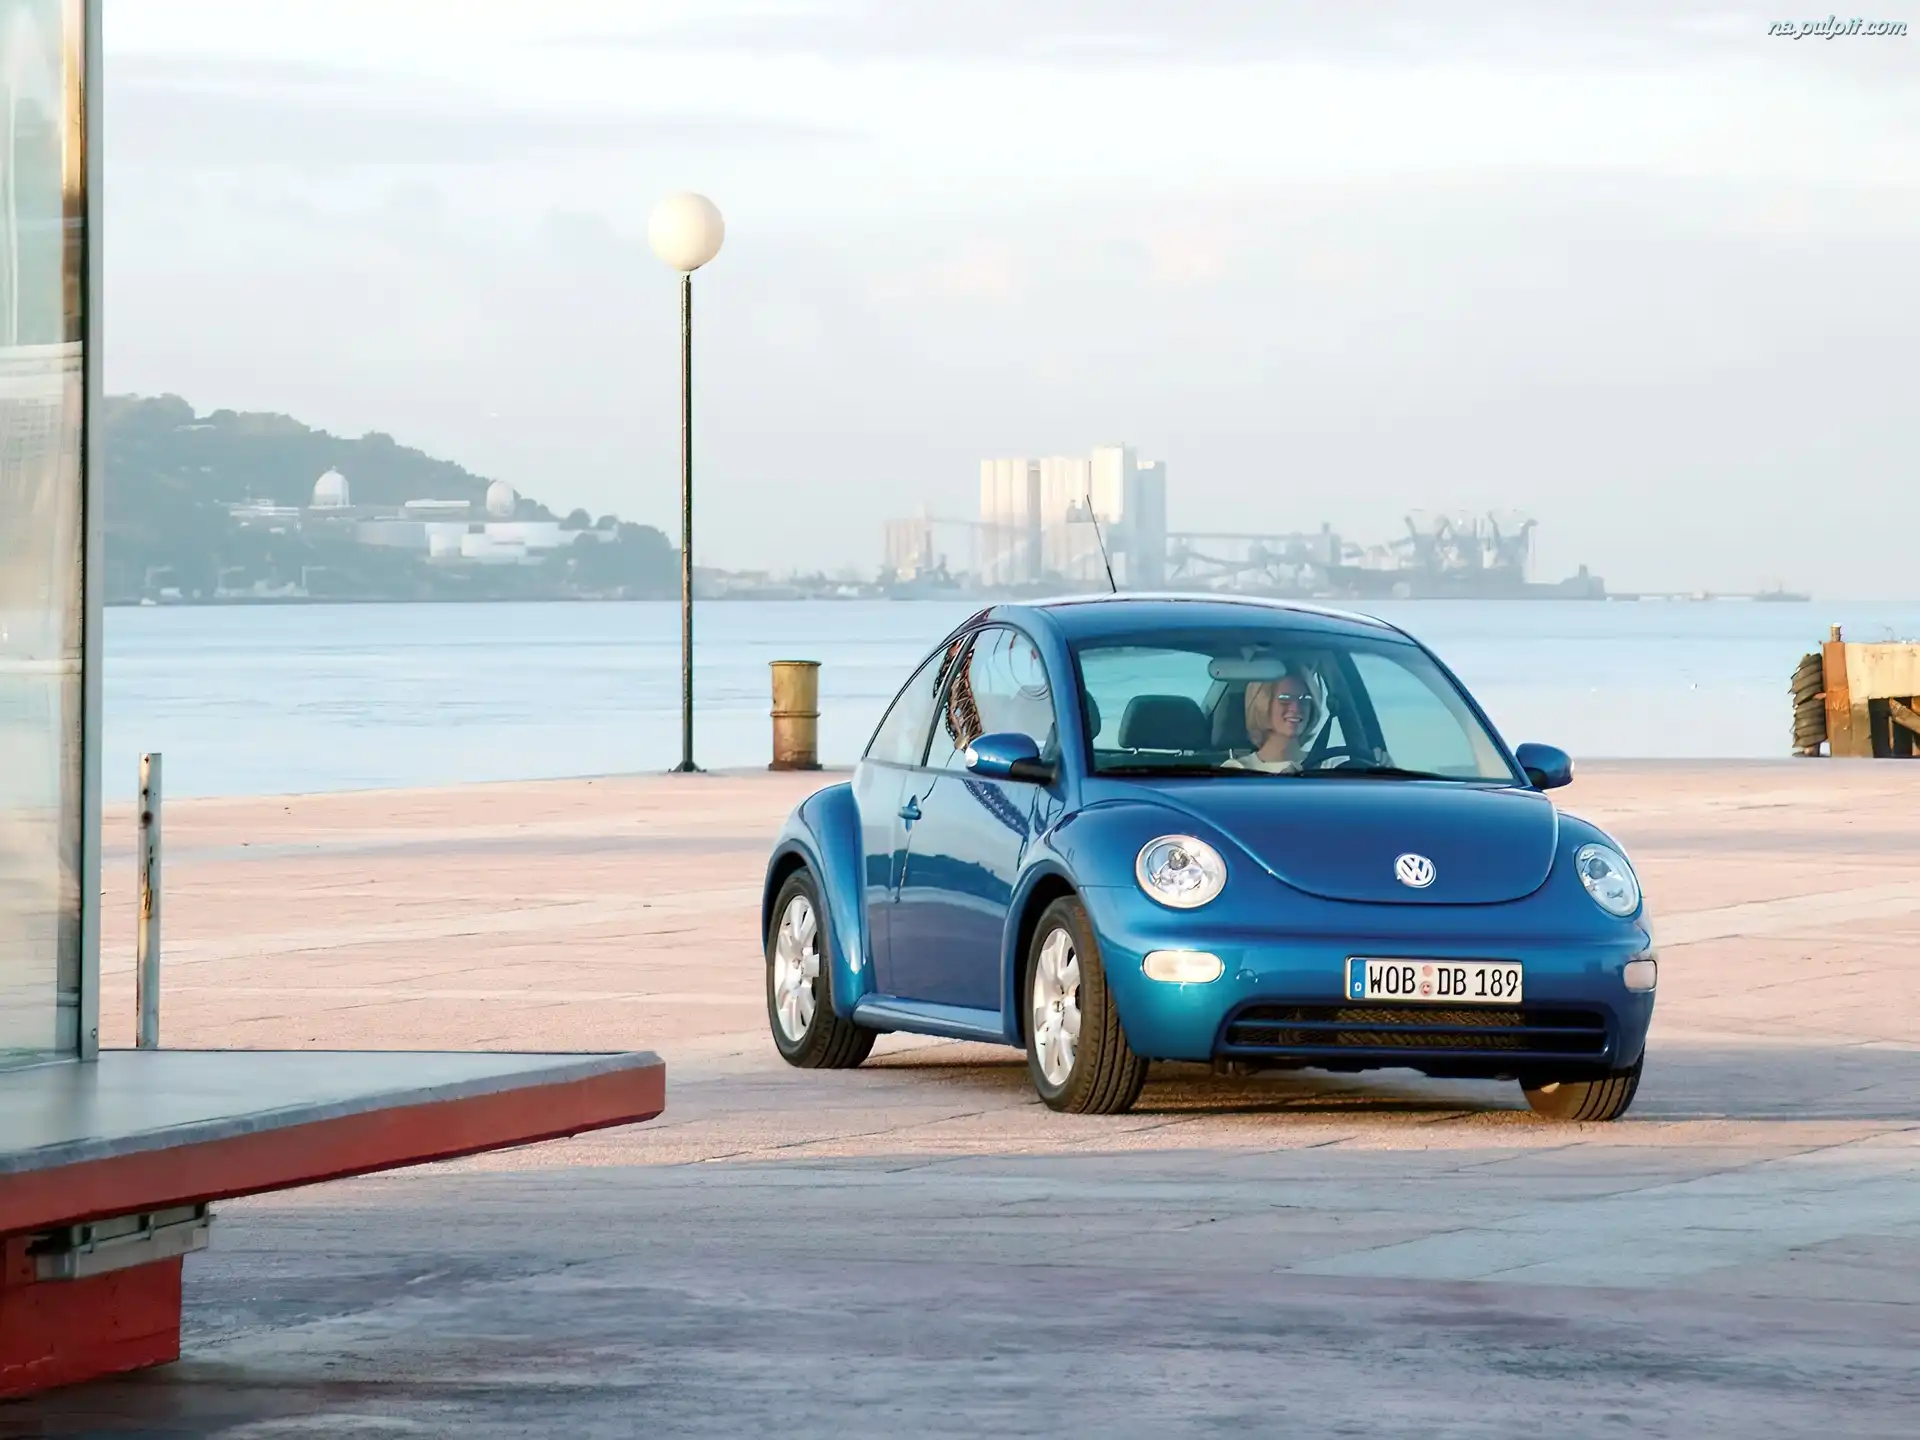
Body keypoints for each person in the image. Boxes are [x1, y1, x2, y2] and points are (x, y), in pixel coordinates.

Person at [1224, 668, 1322, 772]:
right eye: (1285, 698)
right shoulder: (1237, 770)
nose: (1296, 708)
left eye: (1305, 698)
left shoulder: (1327, 765)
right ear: (1263, 704)